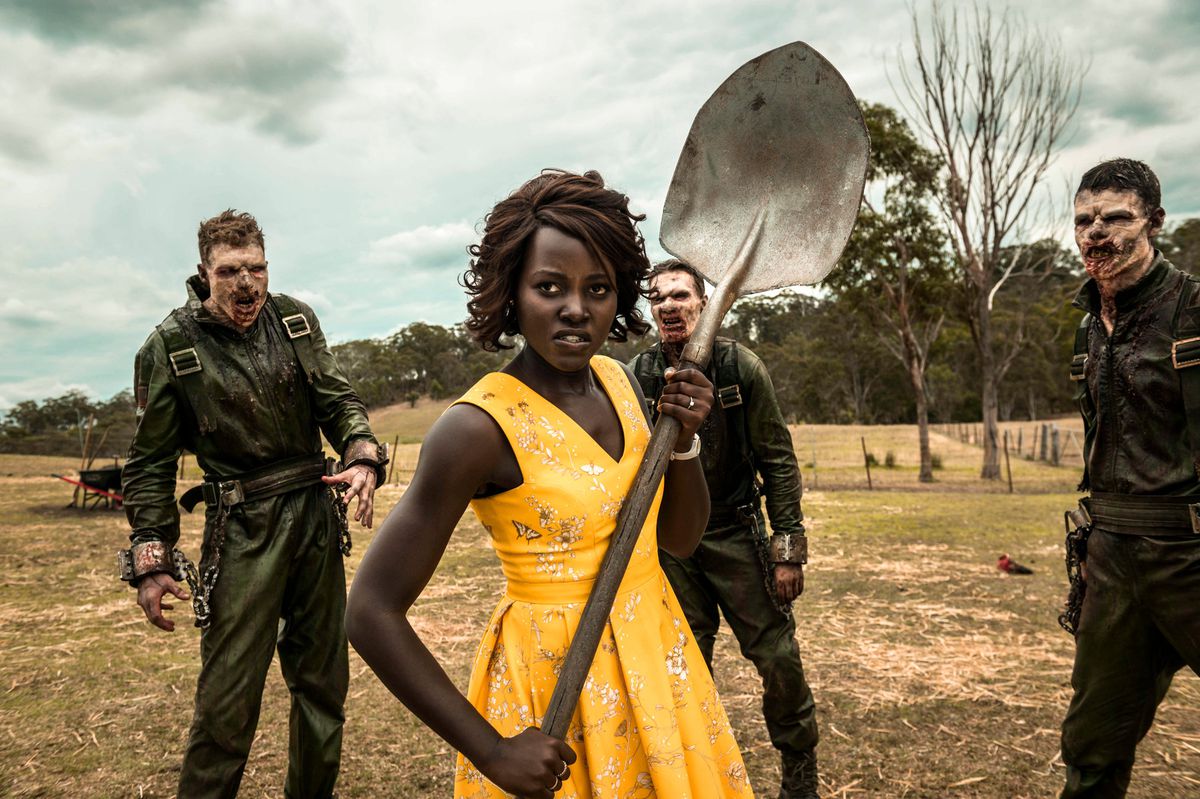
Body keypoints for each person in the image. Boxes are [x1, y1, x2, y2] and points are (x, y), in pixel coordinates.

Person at [346, 169, 753, 799]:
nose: (576, 308)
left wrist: (686, 441)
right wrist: (491, 750)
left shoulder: (620, 383)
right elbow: (370, 611)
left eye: (598, 288)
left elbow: (675, 540)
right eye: (549, 287)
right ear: (511, 294)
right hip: (550, 681)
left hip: (656, 658)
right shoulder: (475, 429)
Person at [119, 210, 388, 799]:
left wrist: (363, 455)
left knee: (323, 690)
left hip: (315, 518)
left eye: (257, 268)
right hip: (241, 531)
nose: (247, 285)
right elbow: (149, 464)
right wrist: (152, 556)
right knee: (226, 707)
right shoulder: (169, 347)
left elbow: (336, 400)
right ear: (203, 273)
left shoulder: (294, 320)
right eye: (230, 271)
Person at [629, 260, 820, 799]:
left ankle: (800, 774)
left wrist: (788, 550)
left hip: (738, 533)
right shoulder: (635, 377)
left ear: (704, 302)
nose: (669, 305)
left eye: (681, 295)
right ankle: (696, 777)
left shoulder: (741, 368)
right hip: (670, 544)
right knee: (684, 665)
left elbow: (778, 461)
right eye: (658, 297)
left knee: (777, 655)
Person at [1060, 158, 1200, 798]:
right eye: (1086, 219)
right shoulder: (1090, 325)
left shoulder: (1193, 310)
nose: (1098, 232)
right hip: (1112, 558)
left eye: (1116, 217)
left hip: (1191, 552)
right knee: (1093, 743)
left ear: (1154, 223)